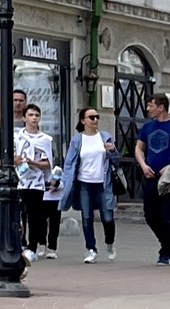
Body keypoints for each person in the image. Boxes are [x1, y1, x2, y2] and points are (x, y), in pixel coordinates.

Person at [57, 105, 118, 263]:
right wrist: (65, 181)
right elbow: (69, 162)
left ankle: (110, 243)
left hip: (103, 183)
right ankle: (91, 249)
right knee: (86, 217)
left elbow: (116, 161)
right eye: (91, 117)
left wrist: (112, 151)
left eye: (97, 117)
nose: (95, 120)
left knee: (107, 218)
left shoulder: (105, 137)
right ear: (83, 121)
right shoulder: (77, 140)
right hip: (84, 183)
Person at [136, 92, 170, 266]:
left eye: (151, 106)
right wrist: (143, 165)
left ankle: (165, 252)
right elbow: (139, 148)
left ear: (161, 107)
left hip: (169, 179)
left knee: (166, 215)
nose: (148, 109)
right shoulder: (147, 126)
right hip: (150, 176)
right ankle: (165, 241)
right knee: (150, 214)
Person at [15, 101, 59, 260]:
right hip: (19, 180)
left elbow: (48, 163)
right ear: (24, 118)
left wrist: (33, 163)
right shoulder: (16, 136)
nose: (34, 118)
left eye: (36, 115)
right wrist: (16, 160)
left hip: (36, 182)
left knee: (34, 215)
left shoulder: (45, 139)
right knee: (18, 215)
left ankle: (32, 247)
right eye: (31, 115)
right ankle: (19, 243)